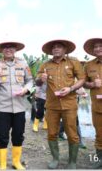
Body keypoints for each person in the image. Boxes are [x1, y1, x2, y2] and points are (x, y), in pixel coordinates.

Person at [36, 39, 85, 169]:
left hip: (69, 104)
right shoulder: (45, 64)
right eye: (53, 47)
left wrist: (71, 89)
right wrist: (41, 79)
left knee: (72, 134)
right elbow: (37, 82)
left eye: (59, 47)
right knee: (52, 133)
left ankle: (72, 162)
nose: (56, 49)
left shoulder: (73, 62)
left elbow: (82, 78)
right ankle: (55, 159)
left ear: (65, 49)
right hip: (52, 105)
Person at [0, 41, 33, 170]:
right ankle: (3, 164)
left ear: (15, 49)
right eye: (5, 47)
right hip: (3, 107)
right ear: (2, 50)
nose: (8, 49)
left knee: (18, 135)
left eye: (11, 47)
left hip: (19, 107)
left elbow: (30, 81)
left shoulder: (23, 64)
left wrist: (26, 89)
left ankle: (16, 162)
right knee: (2, 136)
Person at [83, 38, 102, 169]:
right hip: (98, 106)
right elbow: (83, 83)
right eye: (95, 47)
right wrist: (93, 84)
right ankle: (99, 158)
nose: (98, 49)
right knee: (99, 133)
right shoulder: (88, 65)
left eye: (101, 46)